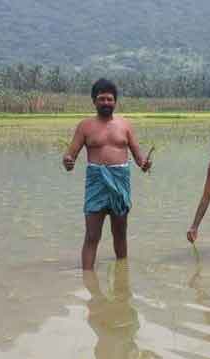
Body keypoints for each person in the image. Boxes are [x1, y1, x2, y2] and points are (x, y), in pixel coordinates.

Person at [62, 78, 151, 270]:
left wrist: (144, 164)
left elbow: (138, 157)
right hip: (96, 183)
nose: (106, 103)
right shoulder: (85, 126)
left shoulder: (125, 125)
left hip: (120, 182)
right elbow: (70, 157)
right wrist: (68, 161)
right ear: (94, 101)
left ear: (115, 101)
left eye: (109, 99)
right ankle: (87, 275)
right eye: (101, 99)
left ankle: (122, 279)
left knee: (120, 234)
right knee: (92, 235)